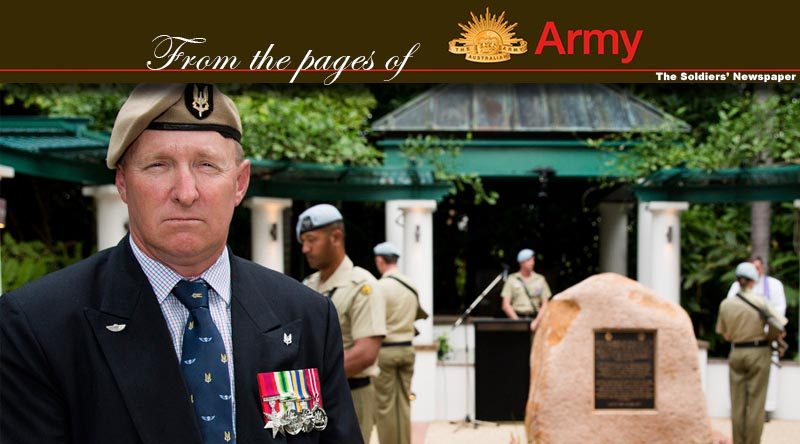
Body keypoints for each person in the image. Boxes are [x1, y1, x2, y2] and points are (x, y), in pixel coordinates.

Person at [0, 84, 361, 444]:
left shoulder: (307, 316)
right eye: (159, 165)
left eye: (206, 165)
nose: (186, 192)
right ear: (123, 183)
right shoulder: (37, 326)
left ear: (239, 183)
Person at [298, 204, 386, 444]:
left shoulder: (363, 285)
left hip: (351, 394)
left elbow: (366, 353)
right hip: (308, 396)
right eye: (303, 241)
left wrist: (308, 381)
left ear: (335, 237)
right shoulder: (308, 285)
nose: (305, 248)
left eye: (311, 239)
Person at [716, 262, 787, 444]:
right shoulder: (760, 301)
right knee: (756, 403)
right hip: (758, 352)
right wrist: (769, 337)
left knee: (737, 403)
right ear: (753, 282)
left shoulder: (726, 304)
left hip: (736, 353)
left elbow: (725, 334)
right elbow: (779, 325)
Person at [372, 241, 428, 444]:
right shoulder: (411, 285)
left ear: (380, 260)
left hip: (386, 351)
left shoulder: (380, 287)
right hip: (407, 349)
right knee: (404, 403)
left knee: (385, 406)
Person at [500, 248, 552, 332]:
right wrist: (518, 322)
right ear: (521, 262)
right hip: (517, 319)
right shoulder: (512, 279)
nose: (532, 263)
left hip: (536, 320)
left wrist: (536, 322)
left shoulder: (540, 279)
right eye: (529, 260)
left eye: (533, 260)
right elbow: (505, 305)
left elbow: (545, 304)